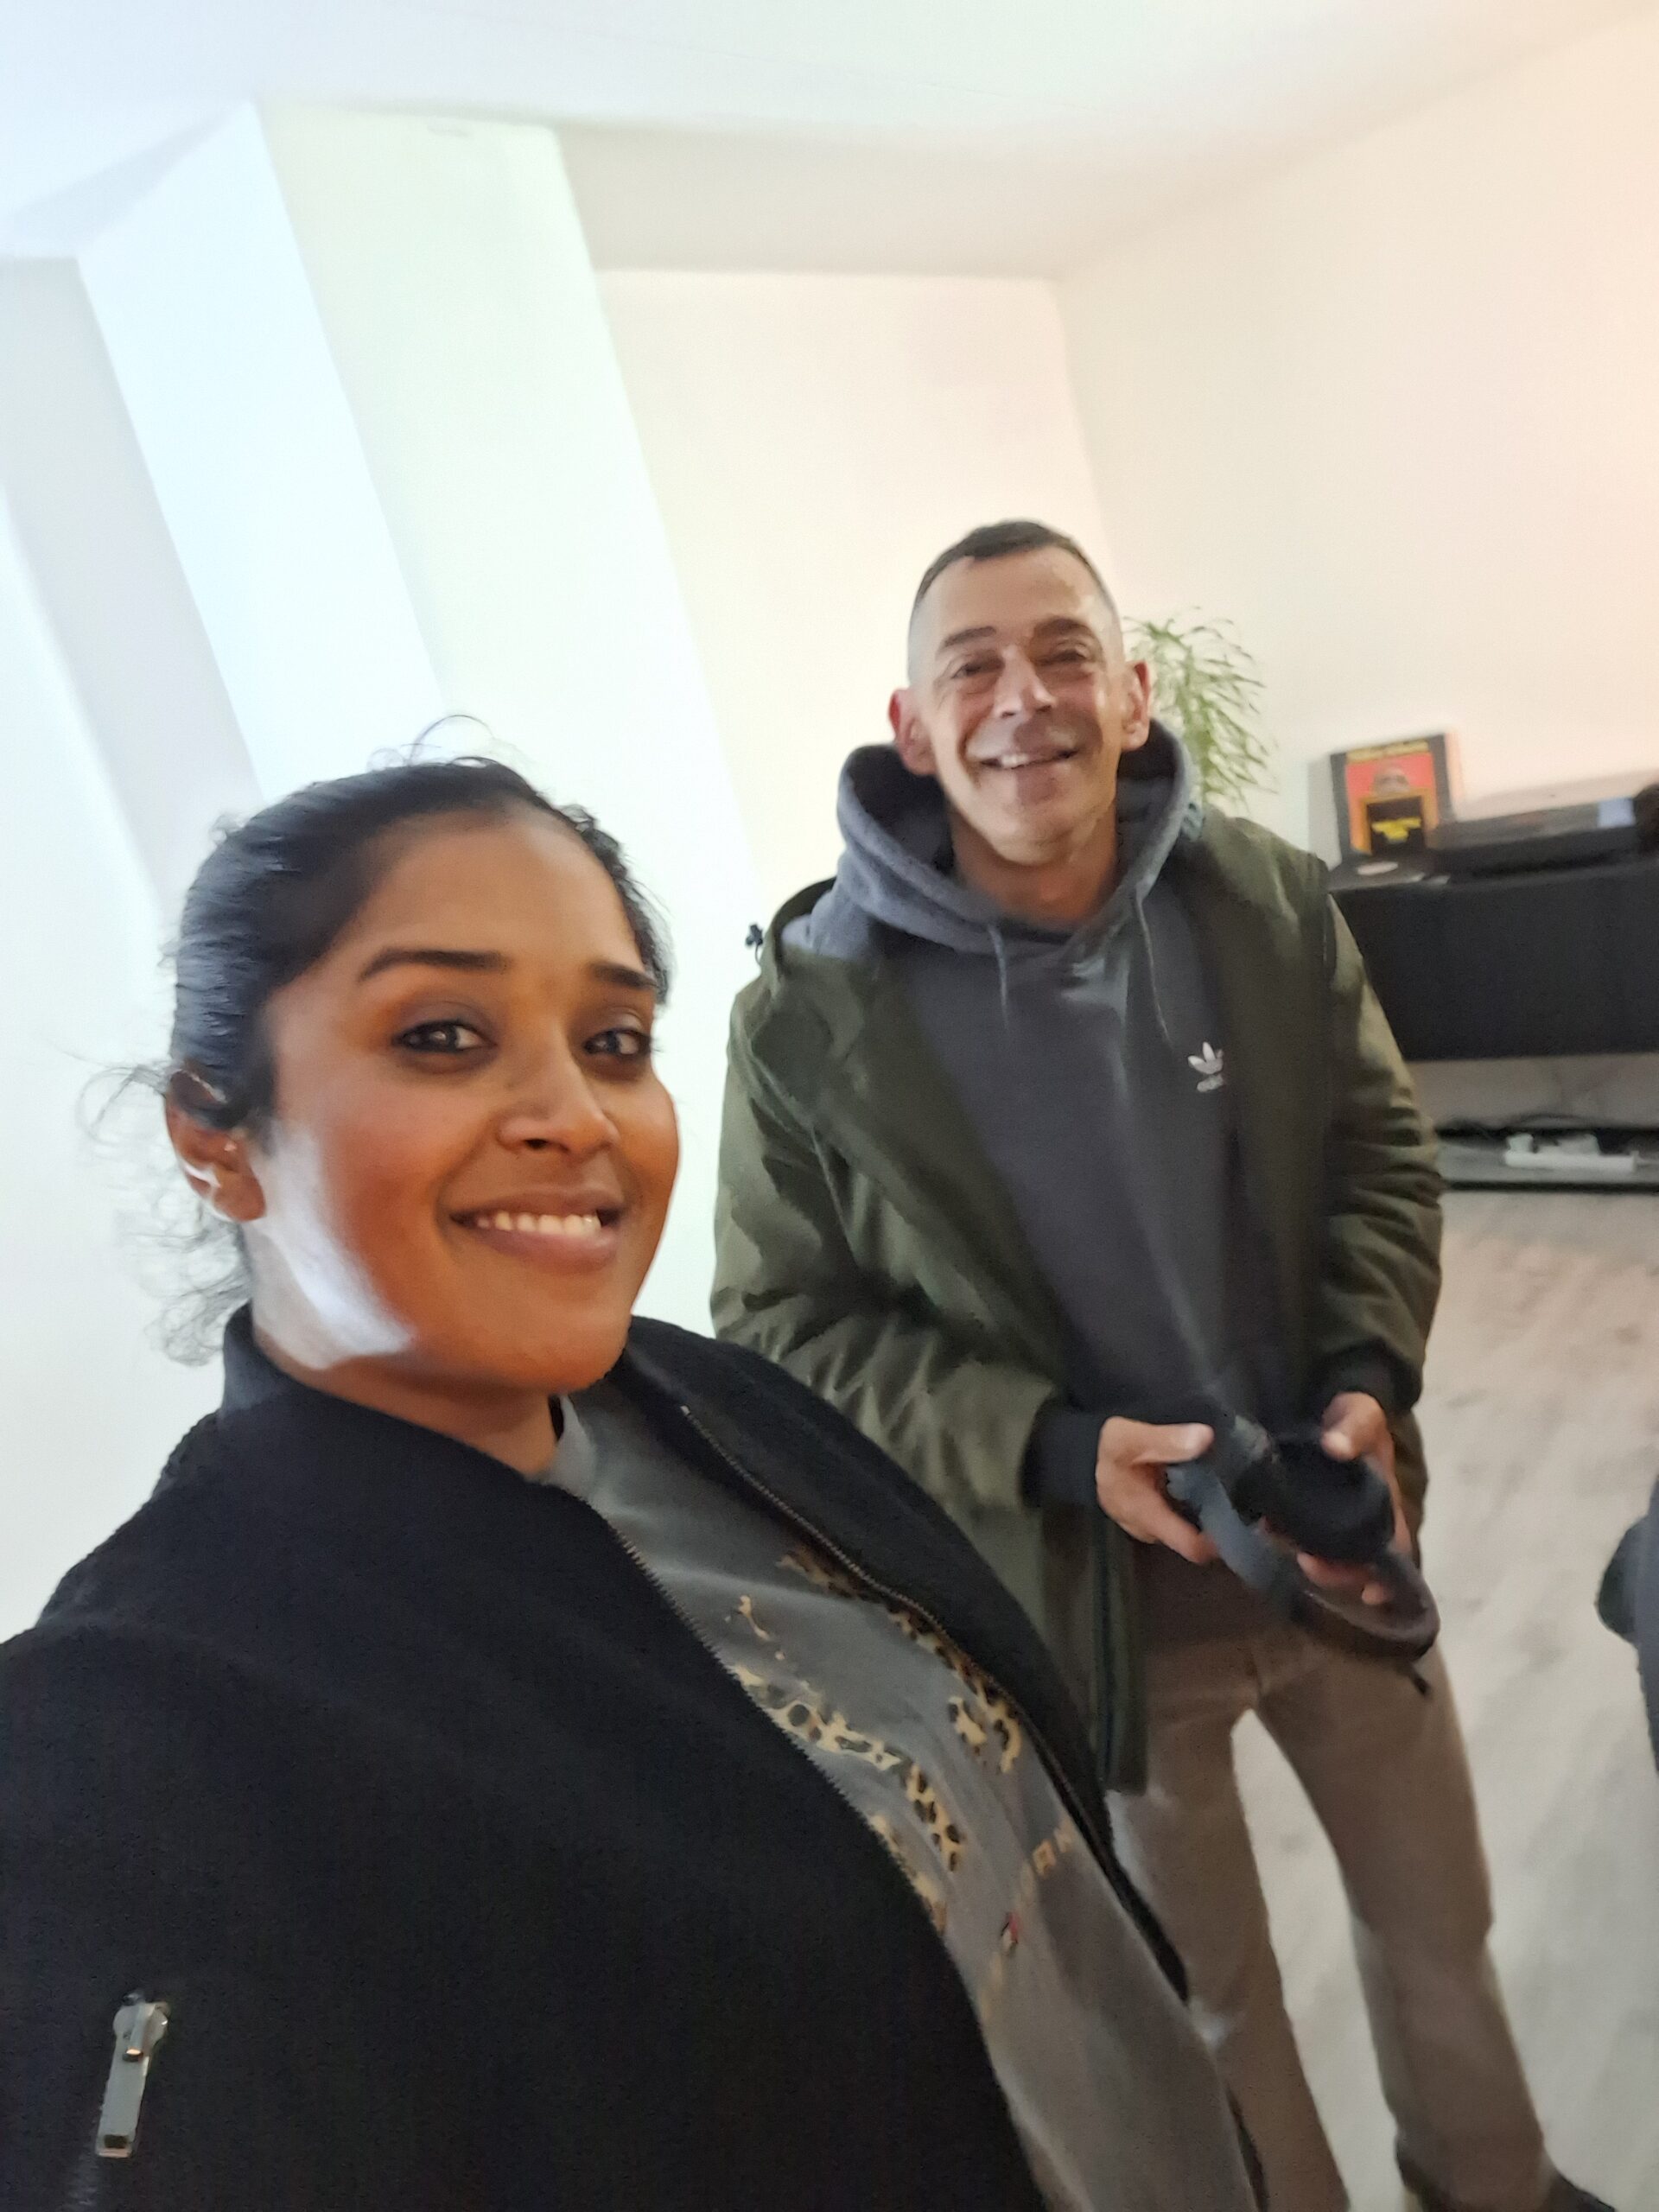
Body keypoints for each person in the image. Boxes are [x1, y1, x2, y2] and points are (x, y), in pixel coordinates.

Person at [0, 758, 1259, 2212]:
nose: (576, 1115)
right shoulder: (142, 1719)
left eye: (613, 1041)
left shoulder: (709, 1406)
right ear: (215, 1137)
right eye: (444, 1035)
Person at [714, 520, 1613, 2212]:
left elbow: (1382, 1155)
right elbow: (784, 1330)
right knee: (1215, 2006)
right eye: (971, 664)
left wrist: (1368, 1372)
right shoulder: (810, 1020)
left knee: (1441, 1925)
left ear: (1132, 694)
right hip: (1091, 1610)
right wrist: (1056, 1446)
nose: (1023, 697)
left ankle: (1495, 2186)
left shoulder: (1263, 901)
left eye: (1064, 651)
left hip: (1337, 1541)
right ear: (911, 727)